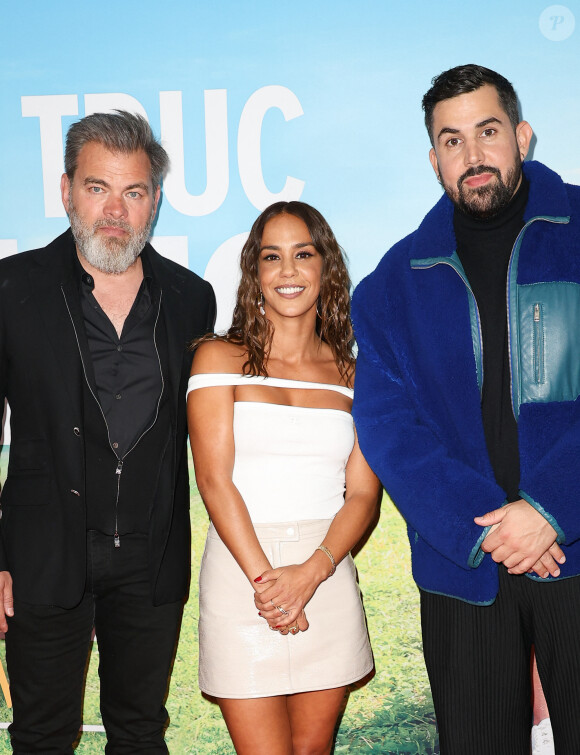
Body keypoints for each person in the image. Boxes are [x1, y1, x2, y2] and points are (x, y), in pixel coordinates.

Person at [351, 64, 580, 754]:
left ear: (522, 135)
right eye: (451, 141)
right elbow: (390, 430)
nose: (472, 156)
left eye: (487, 132)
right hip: (466, 566)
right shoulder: (390, 284)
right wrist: (486, 527)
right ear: (433, 158)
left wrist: (550, 508)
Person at [0, 110, 216, 752]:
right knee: (41, 736)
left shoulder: (191, 298)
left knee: (142, 732)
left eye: (134, 191)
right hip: (41, 556)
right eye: (98, 188)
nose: (115, 211)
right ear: (67, 190)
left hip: (151, 558)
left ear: (155, 201)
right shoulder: (13, 290)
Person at [187, 201, 380, 755]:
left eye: (303, 254)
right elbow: (214, 480)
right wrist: (270, 584)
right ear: (255, 272)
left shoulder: (354, 373)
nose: (288, 272)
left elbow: (363, 492)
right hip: (243, 574)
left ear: (326, 267)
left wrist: (311, 573)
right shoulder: (217, 358)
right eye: (272, 257)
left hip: (326, 570)